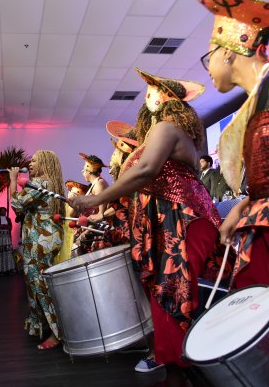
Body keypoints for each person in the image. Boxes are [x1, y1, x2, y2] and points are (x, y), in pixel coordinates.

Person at [69, 68, 231, 372]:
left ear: (170, 100)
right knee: (165, 288)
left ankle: (183, 361)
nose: (148, 96)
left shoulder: (167, 128)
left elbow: (145, 172)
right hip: (166, 218)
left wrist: (94, 199)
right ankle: (172, 359)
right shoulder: (159, 132)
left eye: (154, 91)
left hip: (182, 217)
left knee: (172, 287)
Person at [191, 0, 269, 288]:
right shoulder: (257, 99)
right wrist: (242, 206)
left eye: (208, 57)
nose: (209, 68)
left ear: (227, 52)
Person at [9, 150, 65, 350]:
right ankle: (44, 327)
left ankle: (57, 333)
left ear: (46, 163)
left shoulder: (41, 184)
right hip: (45, 238)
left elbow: (16, 204)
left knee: (39, 284)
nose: (30, 163)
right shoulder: (50, 184)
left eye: (34, 160)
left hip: (40, 239)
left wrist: (12, 179)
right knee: (37, 282)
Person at [57, 180, 89, 263]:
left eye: (74, 193)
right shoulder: (68, 205)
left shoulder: (75, 206)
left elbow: (70, 215)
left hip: (71, 238)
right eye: (70, 191)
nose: (70, 193)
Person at [0, 206, 15, 274]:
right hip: (0, 238)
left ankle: (8, 268)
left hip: (7, 238)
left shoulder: (8, 219)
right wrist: (3, 226)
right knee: (1, 253)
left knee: (8, 253)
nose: (4, 212)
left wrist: (2, 226)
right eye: (2, 211)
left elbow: (10, 226)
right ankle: (0, 269)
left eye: (5, 211)